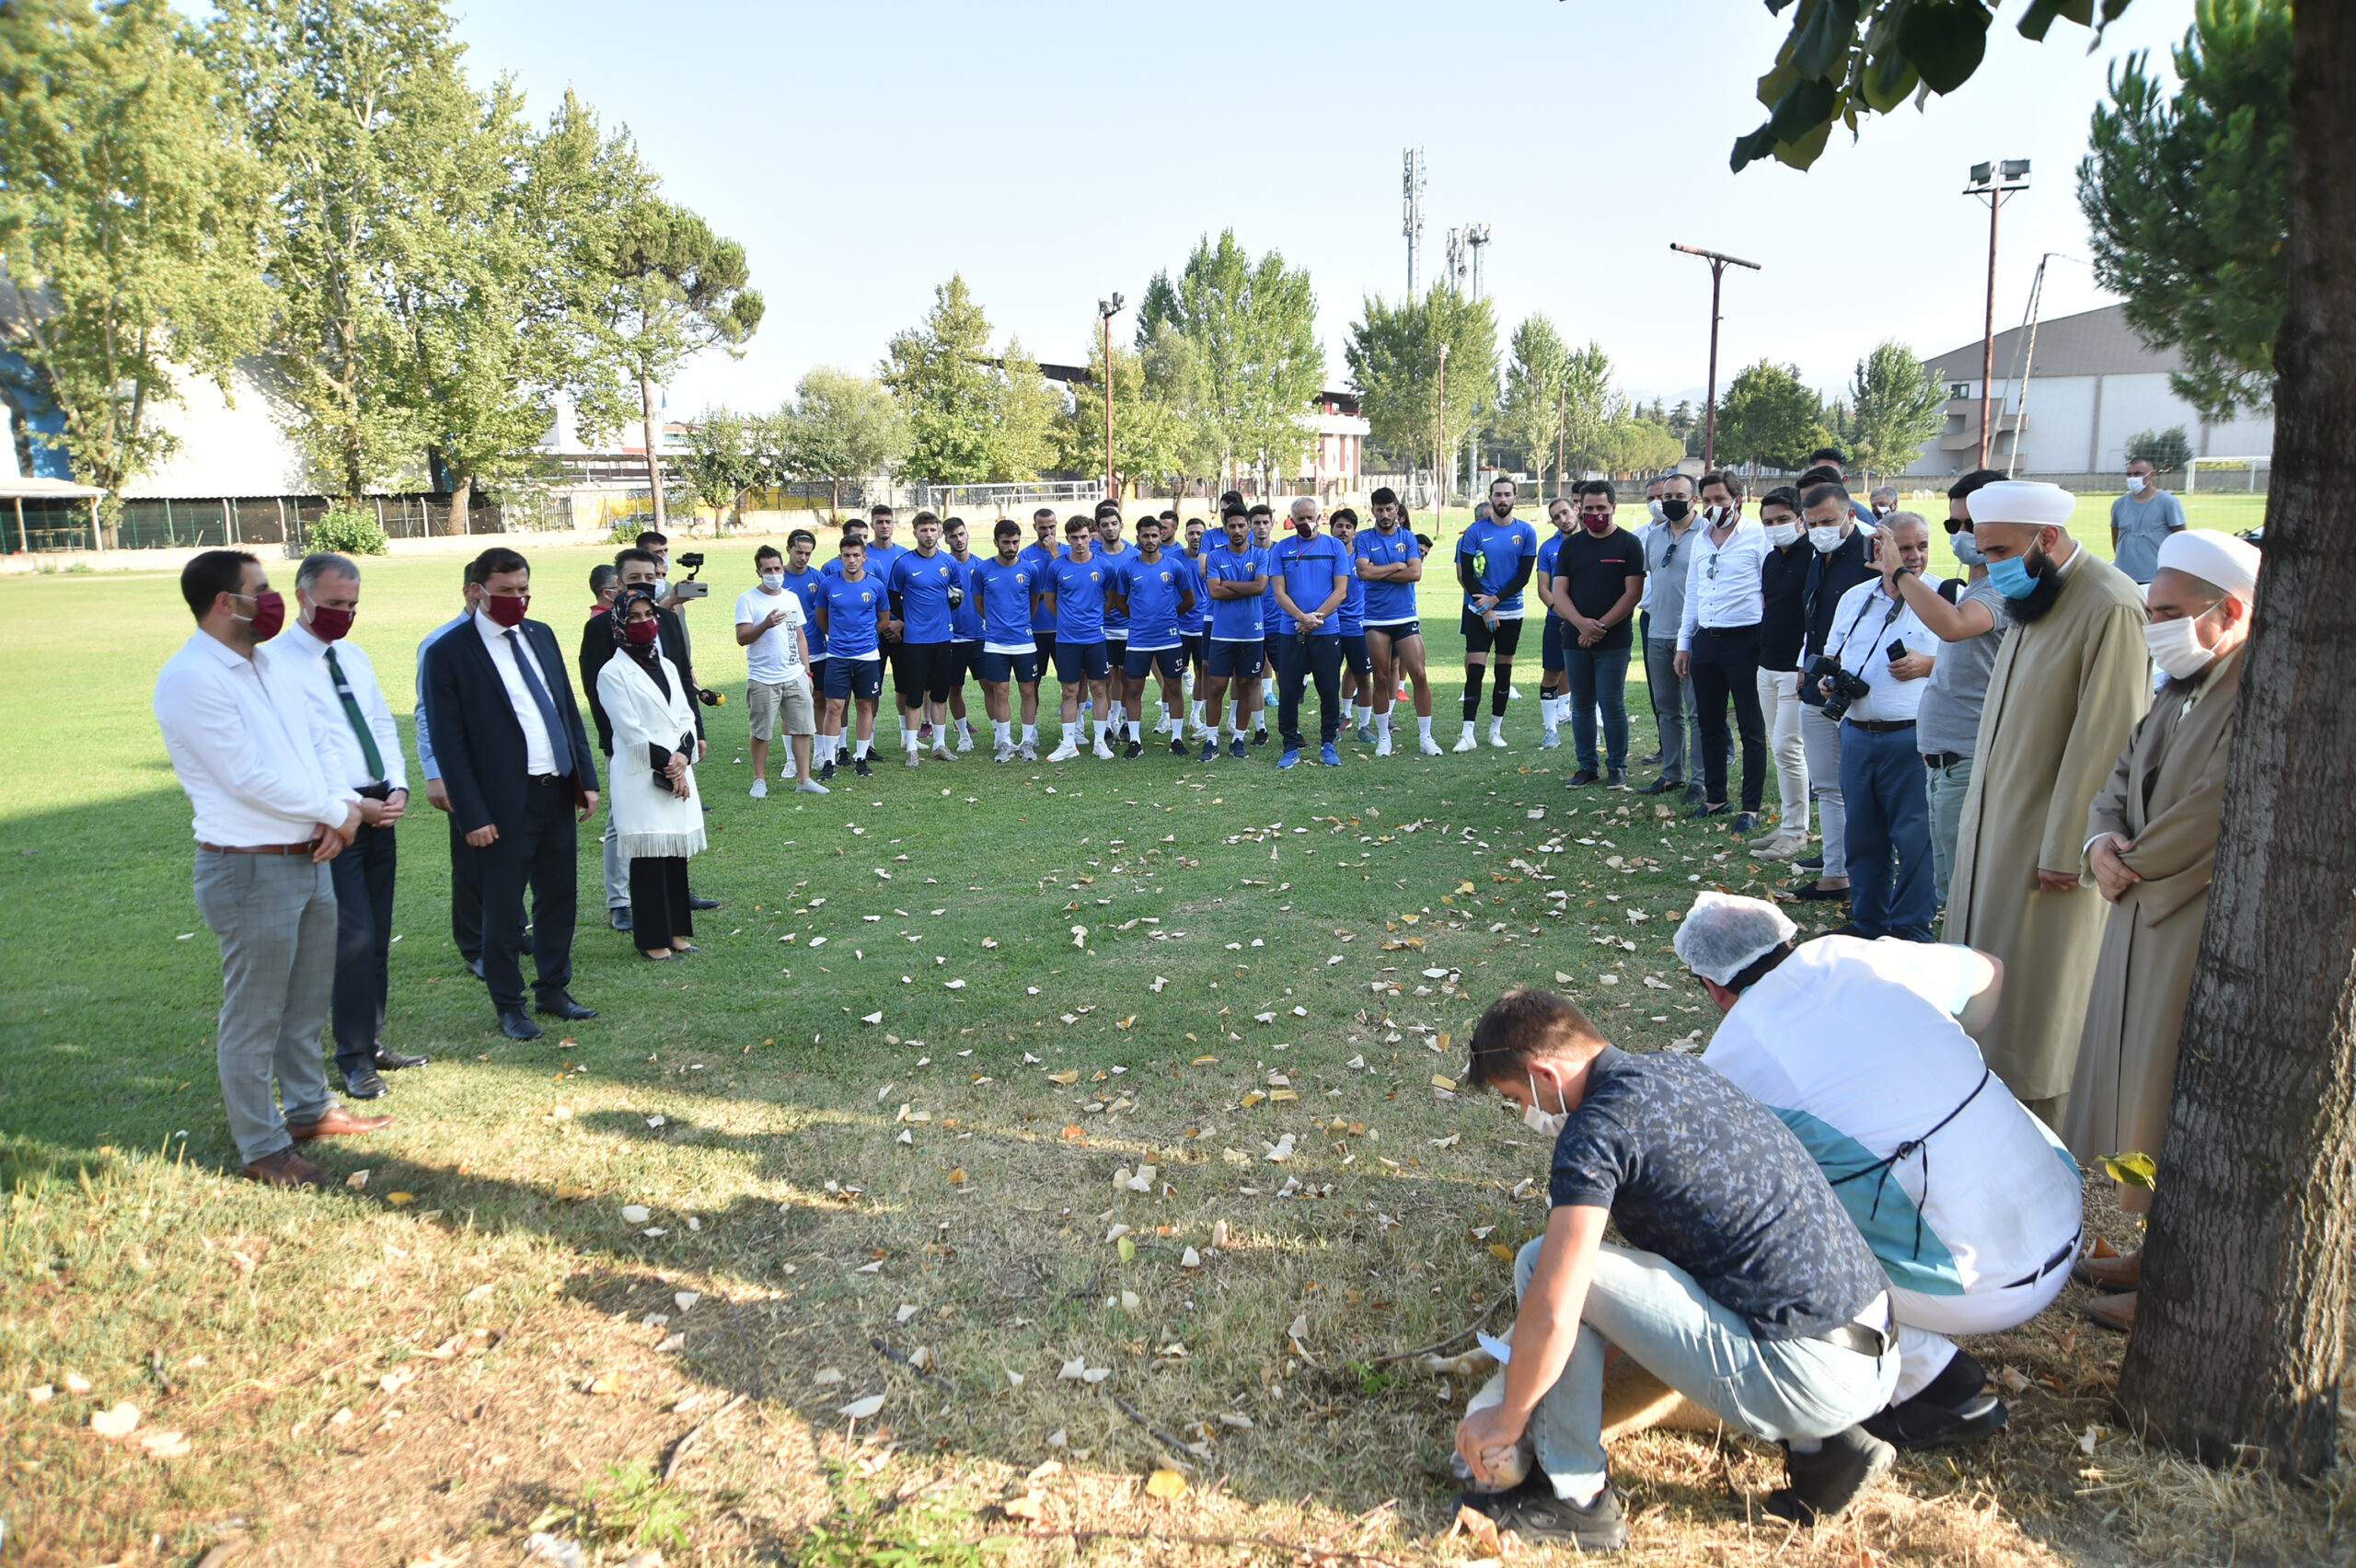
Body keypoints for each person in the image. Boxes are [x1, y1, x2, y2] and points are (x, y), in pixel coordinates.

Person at [1453, 987, 1900, 1546]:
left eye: (1518, 1097)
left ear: (1545, 1073)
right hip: (1875, 1346)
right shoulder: (1678, 1070)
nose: (1526, 1114)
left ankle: (1576, 1500)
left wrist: (1508, 1418)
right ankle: (1825, 1449)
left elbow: (1556, 1302)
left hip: (1809, 1372)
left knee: (1542, 1262)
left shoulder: (1595, 1132)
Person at [1676, 894, 2083, 1448]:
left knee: (1754, 1239)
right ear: (1787, 938)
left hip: (1977, 1287)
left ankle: (1925, 1379)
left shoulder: (1731, 1059)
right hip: (2063, 1212)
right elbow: (1989, 971)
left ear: (1712, 986)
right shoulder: (1857, 954)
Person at [2066, 529, 2260, 1332]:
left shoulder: (2253, 692)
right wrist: (2099, 844)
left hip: (2184, 918)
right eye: (2152, 612)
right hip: (2140, 910)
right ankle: (2141, 1240)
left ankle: (2169, 1270)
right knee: (2128, 1087)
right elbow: (2120, 776)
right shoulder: (2182, 684)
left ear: (2232, 612)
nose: (2156, 628)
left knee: (2167, 1091)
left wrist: (2133, 866)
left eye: (2171, 614)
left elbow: (2215, 808)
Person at [156, 550, 391, 1188]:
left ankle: (310, 1110)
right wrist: (339, 812)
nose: (272, 599)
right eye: (260, 589)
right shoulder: (191, 677)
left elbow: (316, 743)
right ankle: (262, 1145)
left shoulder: (268, 664)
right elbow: (246, 776)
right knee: (255, 1014)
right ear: (224, 602)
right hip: (249, 868)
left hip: (309, 854)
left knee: (305, 1001)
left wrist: (336, 810)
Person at [1945, 479, 2152, 1128]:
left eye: (2000, 551)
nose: (1989, 566)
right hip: (1995, 835)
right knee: (1983, 998)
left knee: (2037, 1016)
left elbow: (2107, 740)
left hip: (2047, 855)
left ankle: (2048, 1146)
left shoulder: (2109, 604)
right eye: (1982, 551)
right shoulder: (2034, 594)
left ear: (2049, 538)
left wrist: (2067, 848)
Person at [418, 547, 600, 1043]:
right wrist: (471, 814)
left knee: (558, 897)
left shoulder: (540, 634)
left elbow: (565, 708)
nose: (516, 599)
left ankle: (553, 988)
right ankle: (509, 1004)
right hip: (499, 802)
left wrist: (585, 779)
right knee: (501, 907)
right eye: (505, 591)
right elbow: (449, 742)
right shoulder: (448, 652)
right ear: (476, 591)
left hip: (555, 789)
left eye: (523, 589)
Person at [279, 552, 427, 1100]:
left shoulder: (354, 656)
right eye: (333, 603)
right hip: (333, 816)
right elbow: (295, 749)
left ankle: (372, 1039)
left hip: (377, 804)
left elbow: (380, 723)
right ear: (302, 597)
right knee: (352, 937)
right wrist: (347, 806)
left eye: (352, 604)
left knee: (377, 934)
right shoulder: (275, 663)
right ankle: (353, 1057)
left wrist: (397, 784)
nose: (344, 613)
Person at [1878, 470, 2009, 904]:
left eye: (1974, 524)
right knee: (1952, 890)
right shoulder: (1975, 585)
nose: (1963, 534)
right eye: (1955, 524)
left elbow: (1953, 626)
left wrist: (1899, 572)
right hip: (1946, 762)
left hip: (1970, 761)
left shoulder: (2001, 588)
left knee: (1968, 895)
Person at [1814, 513, 1942, 940]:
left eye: (1922, 546)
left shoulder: (1945, 594)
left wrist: (1927, 665)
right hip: (1856, 733)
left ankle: (1910, 928)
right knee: (1863, 836)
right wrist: (1828, 681)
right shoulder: (1856, 598)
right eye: (1904, 548)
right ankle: (1869, 922)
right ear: (1879, 550)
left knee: (1916, 839)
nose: (1915, 556)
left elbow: (1973, 664)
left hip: (1914, 737)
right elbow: (1834, 654)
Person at [582, 548, 709, 932]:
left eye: (650, 578)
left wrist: (690, 743)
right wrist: (634, 749)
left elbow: (682, 683)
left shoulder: (667, 620)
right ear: (618, 583)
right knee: (626, 826)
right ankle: (621, 901)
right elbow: (599, 695)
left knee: (671, 825)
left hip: (675, 748)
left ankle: (676, 898)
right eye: (634, 579)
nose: (644, 585)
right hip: (631, 748)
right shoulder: (602, 630)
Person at [1791, 477, 1877, 904]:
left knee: (1861, 788)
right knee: (1826, 783)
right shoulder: (1815, 555)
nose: (1820, 530)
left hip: (1862, 690)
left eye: (1828, 521)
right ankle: (1836, 869)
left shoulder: (1871, 555)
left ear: (1850, 515)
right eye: (1812, 523)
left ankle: (1857, 868)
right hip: (1817, 682)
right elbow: (1814, 619)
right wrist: (1803, 665)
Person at [1674, 492, 1769, 836]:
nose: (1714, 505)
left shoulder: (1758, 535)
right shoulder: (1701, 538)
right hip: (1707, 639)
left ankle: (1750, 807)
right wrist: (1684, 643)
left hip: (1745, 640)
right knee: (1709, 724)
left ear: (1737, 499)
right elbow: (1693, 593)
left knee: (1750, 726)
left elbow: (1768, 590)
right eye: (1708, 498)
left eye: (1721, 498)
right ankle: (1716, 798)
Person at [1551, 481, 1646, 790]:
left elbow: (1632, 594)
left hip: (1614, 640)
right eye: (1589, 508)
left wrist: (1599, 627)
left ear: (1613, 507)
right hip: (1575, 639)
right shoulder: (1571, 546)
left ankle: (1617, 766)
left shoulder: (1629, 544)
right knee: (1581, 704)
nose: (1595, 514)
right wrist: (1581, 624)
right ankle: (1586, 766)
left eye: (1601, 508)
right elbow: (1559, 592)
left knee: (1611, 703)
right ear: (1580, 508)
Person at [1746, 482, 1812, 857]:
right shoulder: (1771, 559)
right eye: (1768, 521)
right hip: (1766, 663)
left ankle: (1796, 831)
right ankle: (1789, 823)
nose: (1775, 527)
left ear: (1800, 519)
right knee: (1780, 747)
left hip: (1795, 668)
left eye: (1783, 519)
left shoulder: (1814, 557)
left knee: (1789, 747)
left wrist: (1805, 663)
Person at [1456, 476, 1539, 752]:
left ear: (1515, 497)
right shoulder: (1475, 531)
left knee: (1503, 670)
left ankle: (1495, 730)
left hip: (1511, 612)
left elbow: (1523, 576)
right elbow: (1467, 575)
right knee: (1475, 671)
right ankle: (1467, 734)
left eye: (1507, 494)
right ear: (1490, 498)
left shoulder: (1526, 532)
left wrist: (1495, 601)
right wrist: (1485, 608)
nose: (1502, 499)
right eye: (1498, 494)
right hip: (1478, 611)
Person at [1637, 477, 1706, 802]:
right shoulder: (1653, 536)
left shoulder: (1707, 534)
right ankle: (1672, 773)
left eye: (1680, 495)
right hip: (1658, 631)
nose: (1671, 501)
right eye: (1667, 496)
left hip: (1693, 635)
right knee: (1666, 708)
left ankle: (1701, 779)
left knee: (1698, 712)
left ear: (1694, 499)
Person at [1269, 495, 1351, 769]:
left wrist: (1314, 619)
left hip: (1326, 630)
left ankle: (1328, 742)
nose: (1305, 522)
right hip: (1290, 629)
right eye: (1300, 518)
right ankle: (1290, 746)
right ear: (1291, 520)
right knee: (1289, 689)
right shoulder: (1281, 549)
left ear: (1320, 517)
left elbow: (1340, 591)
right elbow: (1279, 592)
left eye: (1309, 517)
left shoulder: (1334, 547)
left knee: (1328, 688)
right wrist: (1301, 618)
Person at [1355, 487, 1438, 755]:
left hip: (1405, 616)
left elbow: (1415, 573)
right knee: (1380, 677)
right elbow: (1364, 572)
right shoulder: (1364, 538)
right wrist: (1396, 566)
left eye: (1389, 509)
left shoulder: (1408, 538)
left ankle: (1426, 737)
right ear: (1373, 511)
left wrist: (1379, 571)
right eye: (1379, 510)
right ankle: (1384, 738)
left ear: (1397, 510)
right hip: (1375, 618)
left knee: (1419, 674)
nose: (1385, 514)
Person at [1106, 515, 1197, 759]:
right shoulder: (1128, 569)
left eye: (1154, 535)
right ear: (1138, 538)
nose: (1150, 540)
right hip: (1139, 640)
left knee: (1173, 687)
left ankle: (1176, 739)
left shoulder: (1174, 566)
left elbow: (1189, 599)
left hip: (1169, 639)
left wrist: (1168, 617)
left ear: (1161, 537)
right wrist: (1139, 618)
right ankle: (1135, 741)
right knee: (1133, 688)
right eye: (1145, 536)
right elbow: (1119, 602)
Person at [737, 544, 823, 797]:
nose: (774, 574)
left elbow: (800, 637)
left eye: (777, 568)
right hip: (763, 678)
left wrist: (807, 672)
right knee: (761, 732)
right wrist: (765, 624)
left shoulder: (790, 598)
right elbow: (742, 637)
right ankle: (759, 780)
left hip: (794, 675)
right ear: (759, 572)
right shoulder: (747, 599)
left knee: (803, 728)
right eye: (768, 570)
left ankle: (804, 779)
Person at [885, 512, 964, 768]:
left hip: (942, 637)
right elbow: (893, 597)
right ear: (915, 532)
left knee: (940, 694)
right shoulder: (903, 564)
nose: (928, 535)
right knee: (914, 695)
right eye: (923, 530)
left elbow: (957, 593)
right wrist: (908, 620)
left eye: (932, 529)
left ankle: (939, 745)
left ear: (939, 532)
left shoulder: (949, 562)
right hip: (915, 641)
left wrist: (941, 615)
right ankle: (911, 748)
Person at [1199, 503, 1271, 763]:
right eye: (1232, 526)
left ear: (1249, 526)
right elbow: (1214, 592)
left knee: (1246, 685)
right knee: (1216, 686)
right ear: (1225, 528)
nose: (1238, 530)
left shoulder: (1260, 555)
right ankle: (1211, 740)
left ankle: (1238, 738)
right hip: (1222, 633)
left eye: (1242, 525)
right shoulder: (1215, 556)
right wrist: (1245, 586)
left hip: (1252, 633)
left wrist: (1228, 583)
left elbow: (1260, 587)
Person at [973, 517, 1046, 760]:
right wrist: (996, 622)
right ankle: (1005, 742)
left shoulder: (1030, 570)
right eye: (1006, 542)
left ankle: (1027, 741)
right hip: (995, 642)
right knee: (1001, 691)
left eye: (1015, 542)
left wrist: (1020, 623)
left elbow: (1034, 603)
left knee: (1028, 691)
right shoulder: (982, 570)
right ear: (996, 542)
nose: (1011, 547)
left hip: (1024, 642)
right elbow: (979, 604)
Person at [814, 534, 887, 778]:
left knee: (864, 705)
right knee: (834, 706)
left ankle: (861, 757)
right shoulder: (829, 584)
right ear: (840, 557)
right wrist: (839, 637)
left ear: (864, 557)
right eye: (847, 555)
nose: (852, 560)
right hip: (837, 656)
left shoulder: (875, 585)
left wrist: (866, 637)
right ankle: (829, 761)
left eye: (856, 555)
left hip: (867, 656)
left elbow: (883, 619)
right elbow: (821, 618)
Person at [1045, 517, 1114, 761]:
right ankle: (1068, 744)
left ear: (1091, 537)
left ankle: (1099, 742)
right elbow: (1050, 601)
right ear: (1067, 539)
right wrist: (1069, 619)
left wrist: (1093, 619)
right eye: (1074, 538)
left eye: (1084, 537)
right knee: (1069, 691)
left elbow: (1110, 600)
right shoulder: (1056, 567)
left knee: (1099, 688)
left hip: (1095, 638)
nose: (1079, 542)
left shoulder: (1104, 566)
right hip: (1067, 640)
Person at [1326, 508, 1376, 743]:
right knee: (1329, 679)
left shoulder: (1362, 559)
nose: (1343, 531)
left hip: (1358, 625)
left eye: (1348, 527)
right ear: (1331, 529)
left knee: (1363, 675)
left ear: (1355, 532)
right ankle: (1336, 722)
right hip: (1331, 624)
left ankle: (1364, 726)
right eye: (1339, 526)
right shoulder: (1326, 558)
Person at [778, 527, 828, 748]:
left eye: (808, 553)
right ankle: (791, 759)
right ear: (788, 549)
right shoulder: (778, 578)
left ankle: (819, 752)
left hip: (817, 649)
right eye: (799, 552)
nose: (803, 557)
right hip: (787, 652)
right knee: (790, 705)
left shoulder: (818, 578)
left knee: (819, 699)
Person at [1534, 495, 1577, 752]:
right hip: (1556, 620)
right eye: (1556, 517)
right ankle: (1551, 730)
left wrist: (1578, 619)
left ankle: (1590, 726)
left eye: (1565, 512)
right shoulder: (1548, 548)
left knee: (1589, 673)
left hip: (1586, 622)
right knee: (1552, 673)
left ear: (1575, 509)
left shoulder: (1591, 542)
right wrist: (1564, 615)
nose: (1563, 519)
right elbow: (1543, 589)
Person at [1094, 504, 1138, 744]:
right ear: (1098, 529)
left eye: (1114, 524)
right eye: (1105, 525)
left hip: (1130, 627)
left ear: (1121, 525)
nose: (1110, 528)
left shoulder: (1134, 555)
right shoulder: (1093, 556)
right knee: (1106, 678)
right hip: (1103, 628)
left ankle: (1126, 722)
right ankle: (1109, 723)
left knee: (1128, 677)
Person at [2108, 455, 2187, 585]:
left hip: (2155, 576)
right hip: (2125, 576)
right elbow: (2116, 536)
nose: (2133, 478)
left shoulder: (2168, 502)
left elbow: (2180, 537)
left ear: (2152, 475)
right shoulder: (2119, 504)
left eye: (2138, 474)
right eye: (2129, 475)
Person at [943, 516, 984, 753]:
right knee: (954, 688)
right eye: (953, 536)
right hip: (951, 638)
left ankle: (1000, 735)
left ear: (967, 534)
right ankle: (964, 735)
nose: (958, 540)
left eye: (961, 534)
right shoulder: (943, 566)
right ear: (945, 539)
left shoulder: (981, 566)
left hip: (979, 636)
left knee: (990, 686)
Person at [1018, 507, 1063, 694]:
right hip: (1036, 628)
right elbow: (1023, 591)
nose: (1048, 532)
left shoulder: (1066, 551)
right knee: (1032, 683)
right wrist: (1047, 593)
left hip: (1063, 628)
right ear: (1035, 527)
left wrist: (1054, 555)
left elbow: (1070, 584)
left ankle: (1076, 712)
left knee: (1071, 680)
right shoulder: (1025, 555)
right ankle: (1032, 715)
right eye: (1043, 528)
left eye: (1052, 527)